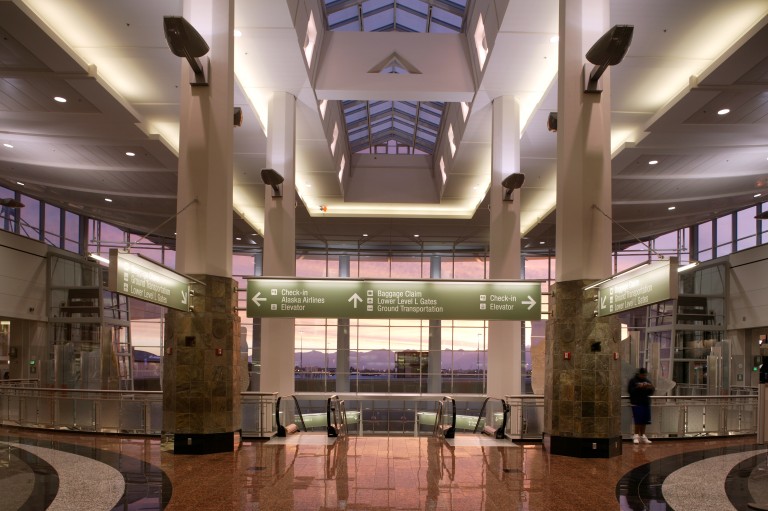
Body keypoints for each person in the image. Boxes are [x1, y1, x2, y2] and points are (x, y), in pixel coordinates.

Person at [628, 368, 654, 444]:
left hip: (645, 402)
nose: (643, 376)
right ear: (639, 374)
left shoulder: (647, 381)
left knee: (644, 420)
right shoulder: (633, 381)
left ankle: (643, 435)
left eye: (645, 375)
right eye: (642, 375)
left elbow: (652, 391)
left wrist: (649, 387)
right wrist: (638, 387)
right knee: (638, 420)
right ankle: (636, 435)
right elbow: (630, 391)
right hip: (636, 402)